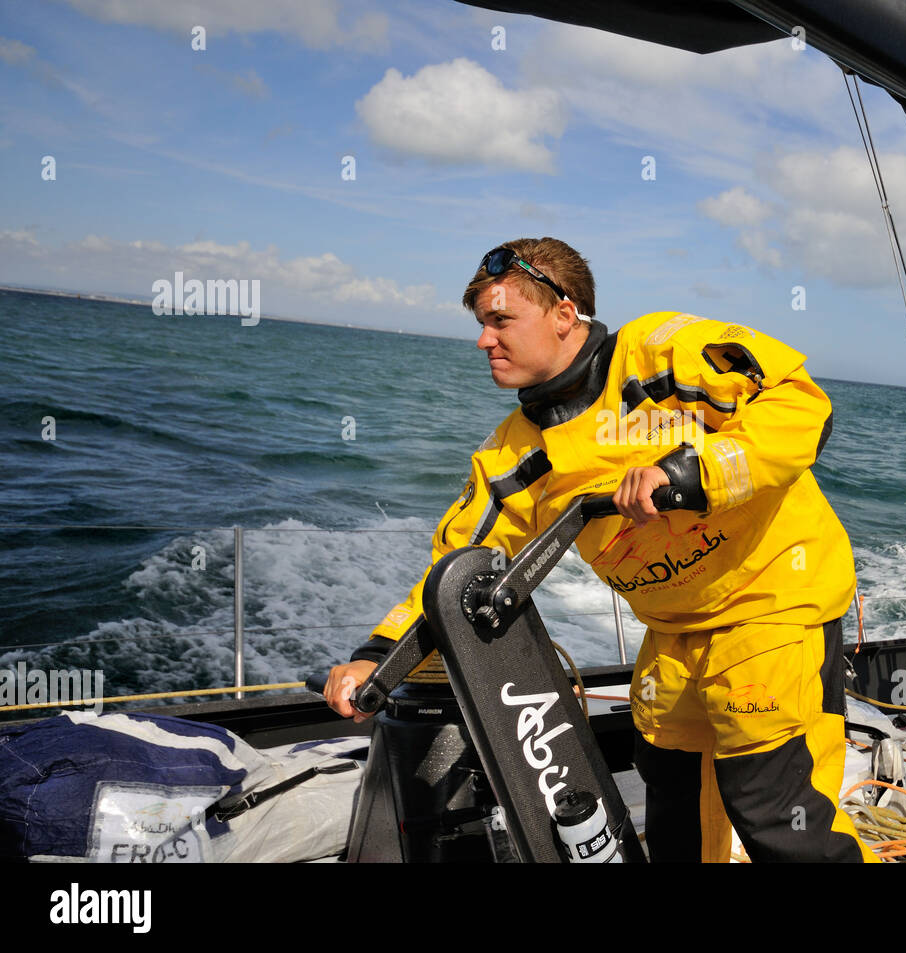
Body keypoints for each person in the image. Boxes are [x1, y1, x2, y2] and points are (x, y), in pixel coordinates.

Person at [325, 237, 870, 863]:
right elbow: (458, 574)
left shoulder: (662, 353)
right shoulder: (514, 455)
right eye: (481, 324)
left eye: (501, 320)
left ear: (564, 314)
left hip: (777, 603)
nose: (484, 340)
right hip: (676, 632)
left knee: (775, 813)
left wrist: (693, 472)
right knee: (672, 810)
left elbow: (798, 404)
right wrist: (377, 657)